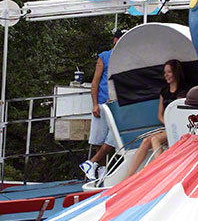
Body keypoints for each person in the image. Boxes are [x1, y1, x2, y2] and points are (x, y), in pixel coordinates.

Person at [125, 59, 187, 179]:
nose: (166, 75)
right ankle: (128, 176)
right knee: (145, 141)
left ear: (176, 72)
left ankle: (161, 171)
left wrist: (170, 125)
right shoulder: (164, 92)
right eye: (164, 73)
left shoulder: (183, 91)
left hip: (179, 127)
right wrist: (167, 124)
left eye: (169, 72)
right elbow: (160, 115)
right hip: (167, 126)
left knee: (155, 139)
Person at [79, 29, 123, 180]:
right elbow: (95, 82)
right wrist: (95, 104)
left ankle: (91, 163)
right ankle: (100, 170)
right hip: (104, 101)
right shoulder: (104, 57)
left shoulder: (128, 56)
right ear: (115, 40)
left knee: (114, 137)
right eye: (120, 38)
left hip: (120, 102)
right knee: (100, 137)